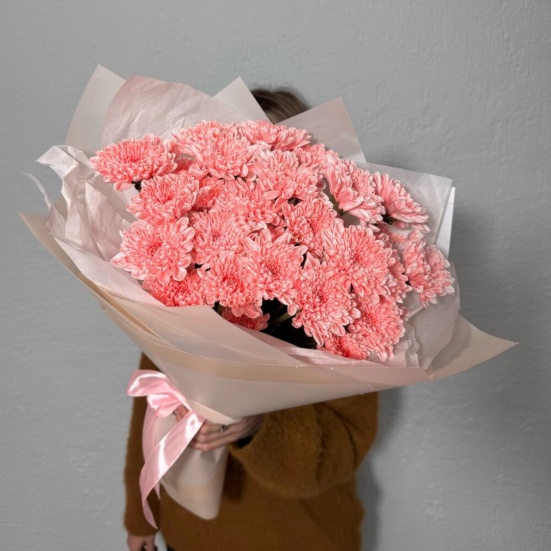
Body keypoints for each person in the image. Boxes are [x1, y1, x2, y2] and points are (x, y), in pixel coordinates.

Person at [124, 88, 379, 551]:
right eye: (239, 173)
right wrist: (141, 515)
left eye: (281, 172)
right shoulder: (183, 285)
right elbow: (152, 402)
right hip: (191, 536)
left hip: (303, 539)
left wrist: (260, 426)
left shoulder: (353, 311)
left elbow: (341, 453)